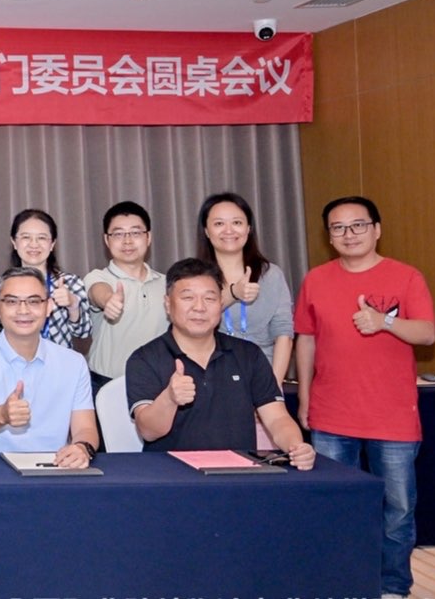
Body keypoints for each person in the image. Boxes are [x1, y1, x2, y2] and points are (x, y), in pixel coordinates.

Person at [296, 196, 435, 598]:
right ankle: (340, 583)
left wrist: (385, 322)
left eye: (358, 225)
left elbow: (427, 333)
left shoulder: (406, 277)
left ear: (377, 229)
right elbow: (306, 339)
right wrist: (304, 397)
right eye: (338, 227)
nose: (349, 234)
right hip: (331, 413)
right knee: (334, 505)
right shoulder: (316, 279)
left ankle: (392, 585)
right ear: (329, 236)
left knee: (397, 509)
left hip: (392, 416)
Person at [126, 258, 313, 468]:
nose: (199, 307)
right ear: (168, 304)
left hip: (237, 474)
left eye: (209, 298)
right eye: (188, 298)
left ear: (221, 304)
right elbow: (148, 431)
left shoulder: (248, 354)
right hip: (172, 476)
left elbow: (277, 419)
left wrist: (296, 447)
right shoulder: (145, 359)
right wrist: (169, 399)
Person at [0, 268, 97, 466]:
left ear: (49, 307)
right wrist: (2, 414)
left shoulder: (73, 363)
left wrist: (81, 448)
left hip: (54, 467)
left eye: (34, 301)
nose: (23, 310)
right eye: (12, 301)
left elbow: (85, 429)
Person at [195, 192, 293, 385]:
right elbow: (194, 319)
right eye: (219, 223)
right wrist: (233, 293)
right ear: (206, 230)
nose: (229, 230)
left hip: (262, 375)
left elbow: (283, 333)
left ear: (248, 228)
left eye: (237, 223)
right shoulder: (195, 276)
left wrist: (272, 387)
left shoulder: (270, 274)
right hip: (211, 377)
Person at [84, 200, 167, 392]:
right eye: (118, 234)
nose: (127, 241)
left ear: (148, 237)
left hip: (158, 383)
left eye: (136, 233)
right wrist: (108, 301)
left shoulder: (167, 283)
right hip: (106, 385)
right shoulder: (97, 277)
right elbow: (97, 291)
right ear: (107, 240)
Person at [8, 208, 91, 355]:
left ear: (52, 244)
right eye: (26, 237)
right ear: (14, 242)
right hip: (15, 365)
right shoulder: (4, 286)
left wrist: (73, 305)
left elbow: (84, 332)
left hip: (59, 365)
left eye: (42, 238)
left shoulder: (69, 283)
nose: (34, 244)